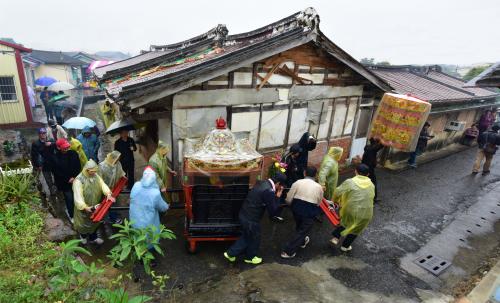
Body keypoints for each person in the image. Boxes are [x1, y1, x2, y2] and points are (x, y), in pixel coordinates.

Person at [224, 173, 287, 265]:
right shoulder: (268, 191)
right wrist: (278, 195)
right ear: (278, 183)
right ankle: (232, 253)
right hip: (251, 218)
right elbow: (273, 210)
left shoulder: (262, 182)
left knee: (251, 236)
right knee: (250, 237)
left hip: (244, 213)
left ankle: (249, 256)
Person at [330, 164, 375, 252]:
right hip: (366, 213)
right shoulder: (372, 185)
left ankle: (336, 237)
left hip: (350, 210)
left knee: (345, 223)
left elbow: (337, 192)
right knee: (356, 228)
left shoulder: (350, 182)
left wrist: (334, 201)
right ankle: (345, 246)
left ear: (355, 171)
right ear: (368, 174)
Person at [281, 166, 323, 259]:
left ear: (304, 173)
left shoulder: (297, 183)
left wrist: (290, 204)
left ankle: (303, 241)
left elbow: (288, 199)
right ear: (316, 175)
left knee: (300, 226)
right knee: (302, 231)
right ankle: (288, 251)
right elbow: (319, 202)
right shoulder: (319, 187)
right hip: (309, 210)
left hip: (296, 208)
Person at [72, 160, 114, 245]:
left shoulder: (95, 176)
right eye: (92, 171)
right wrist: (84, 206)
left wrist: (108, 193)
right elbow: (78, 196)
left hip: (95, 205)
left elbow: (102, 184)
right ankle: (83, 236)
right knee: (83, 224)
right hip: (84, 208)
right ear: (86, 170)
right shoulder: (79, 180)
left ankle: (93, 238)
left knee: (94, 223)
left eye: (95, 171)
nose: (93, 173)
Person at [129, 166, 169, 248]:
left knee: (137, 238)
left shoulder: (136, 185)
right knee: (149, 238)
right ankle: (149, 253)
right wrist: (167, 205)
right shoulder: (155, 193)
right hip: (148, 222)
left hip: (134, 219)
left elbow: (131, 197)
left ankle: (138, 252)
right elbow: (163, 207)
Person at [51, 138, 81, 219]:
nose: (67, 149)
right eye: (64, 148)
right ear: (58, 148)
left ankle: (80, 214)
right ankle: (72, 215)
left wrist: (74, 177)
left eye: (67, 147)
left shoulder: (73, 153)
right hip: (64, 183)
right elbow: (57, 172)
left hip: (76, 180)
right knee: (69, 199)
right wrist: (68, 179)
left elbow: (78, 166)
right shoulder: (55, 158)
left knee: (78, 197)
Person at [99, 151, 126, 224]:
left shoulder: (118, 164)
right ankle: (110, 217)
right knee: (107, 203)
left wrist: (122, 181)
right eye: (118, 158)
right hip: (106, 189)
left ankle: (113, 216)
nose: (119, 159)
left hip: (115, 188)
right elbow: (100, 179)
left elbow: (120, 173)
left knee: (113, 203)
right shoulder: (102, 166)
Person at [31, 128, 56, 196]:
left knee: (56, 176)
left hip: (53, 163)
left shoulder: (51, 140)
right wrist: (38, 165)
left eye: (44, 133)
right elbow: (34, 156)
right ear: (38, 134)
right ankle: (52, 190)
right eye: (41, 133)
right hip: (44, 164)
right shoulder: (36, 143)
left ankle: (57, 187)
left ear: (46, 133)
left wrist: (51, 144)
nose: (42, 134)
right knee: (48, 179)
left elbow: (58, 145)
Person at [361, 137, 384, 202]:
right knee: (373, 183)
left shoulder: (367, 147)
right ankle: (373, 198)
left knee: (363, 181)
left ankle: (363, 195)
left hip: (363, 166)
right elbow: (382, 144)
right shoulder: (373, 149)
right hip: (369, 168)